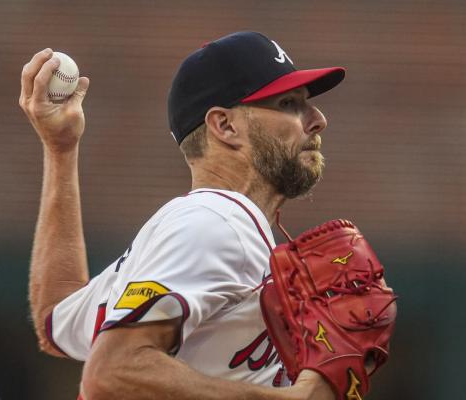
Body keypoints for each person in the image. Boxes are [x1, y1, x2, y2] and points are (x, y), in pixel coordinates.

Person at [20, 31, 346, 400]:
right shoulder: (216, 224)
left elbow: (55, 319)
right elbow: (113, 372)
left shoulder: (199, 226)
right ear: (224, 126)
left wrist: (61, 149)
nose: (317, 119)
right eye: (289, 103)